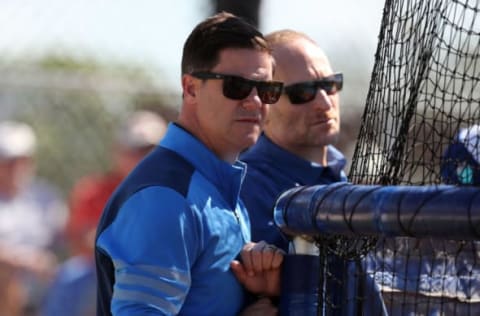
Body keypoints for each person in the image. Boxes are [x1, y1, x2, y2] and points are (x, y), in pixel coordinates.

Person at [95, 12, 284, 315]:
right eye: (236, 86)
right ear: (191, 88)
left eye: (266, 89)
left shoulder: (212, 185)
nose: (254, 101)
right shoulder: (165, 196)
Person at [240, 30, 386, 314]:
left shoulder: (339, 178)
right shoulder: (245, 189)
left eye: (330, 85)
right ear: (264, 103)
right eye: (302, 93)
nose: (323, 102)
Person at [42, 110, 168, 316]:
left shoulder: (176, 191)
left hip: (157, 271)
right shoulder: (94, 190)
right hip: (104, 268)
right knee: (70, 276)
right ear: (119, 152)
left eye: (151, 150)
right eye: (136, 150)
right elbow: (83, 241)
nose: (143, 158)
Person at [0, 120, 67, 316]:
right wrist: (23, 261)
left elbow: (67, 238)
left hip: (42, 282)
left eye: (22, 160)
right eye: (8, 162)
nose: (16, 168)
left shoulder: (45, 197)